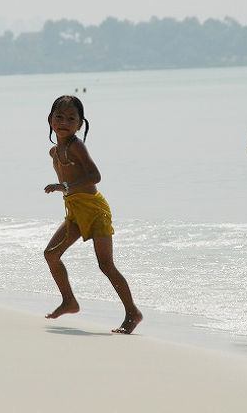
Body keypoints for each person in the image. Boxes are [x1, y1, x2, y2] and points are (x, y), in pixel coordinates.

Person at [43, 95, 143, 334]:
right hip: (76, 211)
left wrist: (64, 187)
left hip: (94, 210)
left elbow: (95, 176)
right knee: (51, 254)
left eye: (71, 118)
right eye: (59, 117)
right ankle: (69, 301)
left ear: (80, 124)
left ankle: (132, 313)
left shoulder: (76, 146)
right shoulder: (54, 151)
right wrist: (66, 190)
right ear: (49, 120)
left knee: (105, 264)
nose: (64, 122)